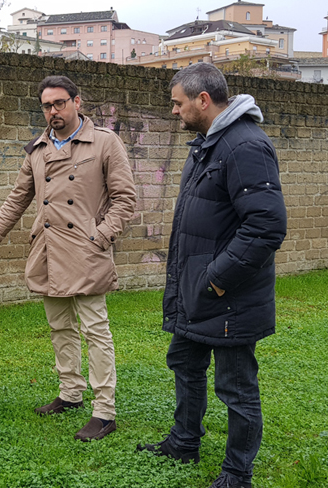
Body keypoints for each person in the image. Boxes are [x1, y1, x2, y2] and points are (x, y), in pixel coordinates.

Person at [137, 64, 287, 488]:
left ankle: (237, 474)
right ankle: (185, 441)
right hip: (198, 288)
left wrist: (218, 278)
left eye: (177, 102)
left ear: (203, 100)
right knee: (184, 361)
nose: (173, 111)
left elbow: (266, 226)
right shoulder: (208, 143)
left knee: (235, 386)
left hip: (228, 295)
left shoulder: (244, 145)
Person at [0, 75, 136, 442]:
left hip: (87, 251)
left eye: (59, 103)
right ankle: (71, 393)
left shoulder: (105, 143)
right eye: (46, 105)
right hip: (49, 251)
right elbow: (16, 200)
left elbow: (125, 199)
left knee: (95, 330)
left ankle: (104, 411)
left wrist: (101, 236)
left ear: (77, 101)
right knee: (60, 327)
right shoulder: (38, 150)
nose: (53, 111)